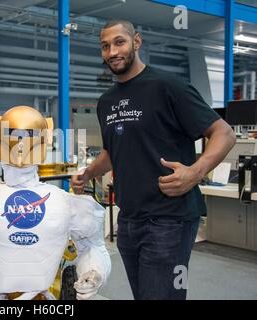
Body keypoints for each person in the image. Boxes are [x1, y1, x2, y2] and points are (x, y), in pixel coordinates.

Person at [71, 20, 236, 300]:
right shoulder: (106, 101)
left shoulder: (168, 86)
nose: (112, 51)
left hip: (169, 218)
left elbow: (224, 133)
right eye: (105, 46)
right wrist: (88, 173)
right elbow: (113, 151)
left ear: (137, 42)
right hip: (129, 218)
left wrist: (195, 173)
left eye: (119, 42)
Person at [0, 106, 111, 300]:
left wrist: (93, 273)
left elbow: (92, 247)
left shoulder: (67, 203)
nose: (20, 144)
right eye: (13, 134)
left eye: (28, 135)